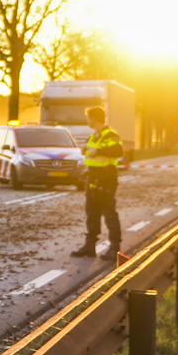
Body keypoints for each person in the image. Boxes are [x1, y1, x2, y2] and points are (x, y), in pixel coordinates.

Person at [72, 105, 124, 259]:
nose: (87, 120)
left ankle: (115, 248)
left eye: (88, 117)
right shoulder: (93, 136)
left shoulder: (110, 135)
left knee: (109, 213)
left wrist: (99, 151)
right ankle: (90, 246)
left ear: (94, 118)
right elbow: (92, 155)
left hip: (106, 178)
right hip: (92, 177)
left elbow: (118, 151)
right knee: (91, 213)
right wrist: (86, 152)